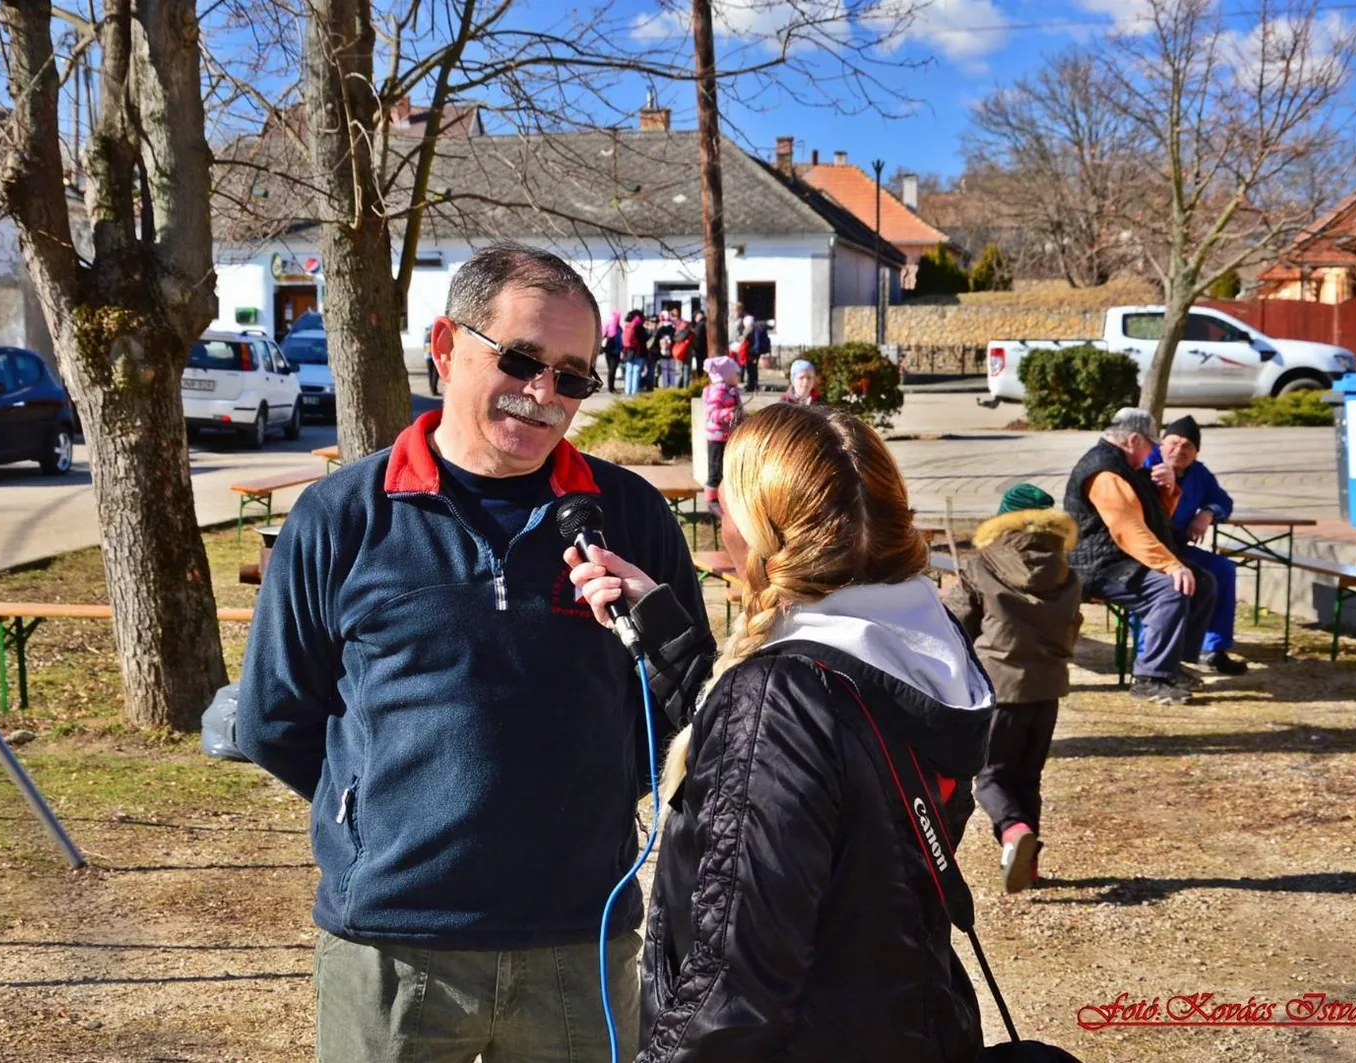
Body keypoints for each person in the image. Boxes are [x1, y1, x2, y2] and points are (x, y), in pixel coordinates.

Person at [237, 243, 716, 1063]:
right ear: (445, 345)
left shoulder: (626, 515)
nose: (543, 394)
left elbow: (695, 710)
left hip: (580, 941)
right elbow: (276, 718)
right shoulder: (341, 517)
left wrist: (597, 786)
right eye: (523, 359)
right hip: (392, 945)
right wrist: (390, 812)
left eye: (572, 377)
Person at [573, 402, 992, 1062]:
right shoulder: (923, 644)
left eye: (728, 500)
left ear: (763, 529)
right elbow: (810, 774)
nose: (720, 515)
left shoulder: (783, 696)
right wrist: (668, 633)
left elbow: (733, 987)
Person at [945, 483, 1082, 894]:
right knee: (1028, 778)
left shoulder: (981, 565)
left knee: (990, 777)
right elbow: (1071, 629)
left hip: (1000, 689)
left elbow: (956, 627)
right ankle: (1031, 864)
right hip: (1048, 690)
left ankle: (1012, 831)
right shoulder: (1066, 571)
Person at [1064, 407, 1217, 704]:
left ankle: (1172, 663)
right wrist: (1171, 566)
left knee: (1203, 582)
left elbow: (1153, 520)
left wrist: (1168, 490)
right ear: (1134, 439)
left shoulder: (1127, 466)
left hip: (1123, 560)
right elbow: (1127, 527)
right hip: (1098, 566)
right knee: (1171, 589)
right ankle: (1150, 678)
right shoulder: (1105, 470)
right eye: (1151, 445)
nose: (1154, 452)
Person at [1144, 416, 1247, 675]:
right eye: (1173, 443)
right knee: (1169, 583)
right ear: (1161, 444)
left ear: (1196, 452)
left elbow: (1224, 501)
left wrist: (1208, 512)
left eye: (1188, 446)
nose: (1179, 450)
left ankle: (1213, 649)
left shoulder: (1199, 473)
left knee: (1223, 569)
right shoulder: (1146, 465)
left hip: (1180, 547)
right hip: (1149, 549)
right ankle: (1152, 657)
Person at [702, 355, 744, 516]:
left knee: (726, 468)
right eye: (734, 374)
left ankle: (725, 498)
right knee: (715, 469)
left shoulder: (730, 390)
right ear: (725, 376)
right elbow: (712, 413)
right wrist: (728, 414)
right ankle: (712, 500)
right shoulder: (718, 392)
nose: (737, 377)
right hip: (717, 438)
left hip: (728, 436)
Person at [622, 309, 649, 396]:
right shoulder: (640, 327)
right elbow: (644, 339)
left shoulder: (629, 326)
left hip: (629, 352)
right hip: (639, 352)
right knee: (636, 372)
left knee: (629, 371)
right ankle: (634, 391)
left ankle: (627, 390)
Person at [746, 316, 771, 392]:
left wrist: (754, 351)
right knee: (753, 368)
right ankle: (753, 384)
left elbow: (757, 342)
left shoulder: (756, 329)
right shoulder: (760, 327)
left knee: (751, 369)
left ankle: (752, 385)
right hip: (757, 351)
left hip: (754, 352)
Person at [670, 312, 694, 388]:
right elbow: (695, 343)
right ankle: (685, 388)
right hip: (687, 354)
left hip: (678, 354)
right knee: (686, 372)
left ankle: (677, 387)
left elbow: (674, 339)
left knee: (679, 372)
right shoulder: (690, 333)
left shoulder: (678, 333)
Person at [603, 309, 623, 394]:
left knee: (612, 370)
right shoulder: (616, 327)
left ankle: (611, 387)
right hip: (612, 351)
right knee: (612, 370)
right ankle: (611, 388)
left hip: (613, 351)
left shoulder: (617, 327)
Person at [423, 322, 440, 396]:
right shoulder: (436, 332)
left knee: (430, 372)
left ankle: (432, 389)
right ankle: (434, 390)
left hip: (427, 355)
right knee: (435, 373)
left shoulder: (427, 332)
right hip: (435, 355)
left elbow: (425, 345)